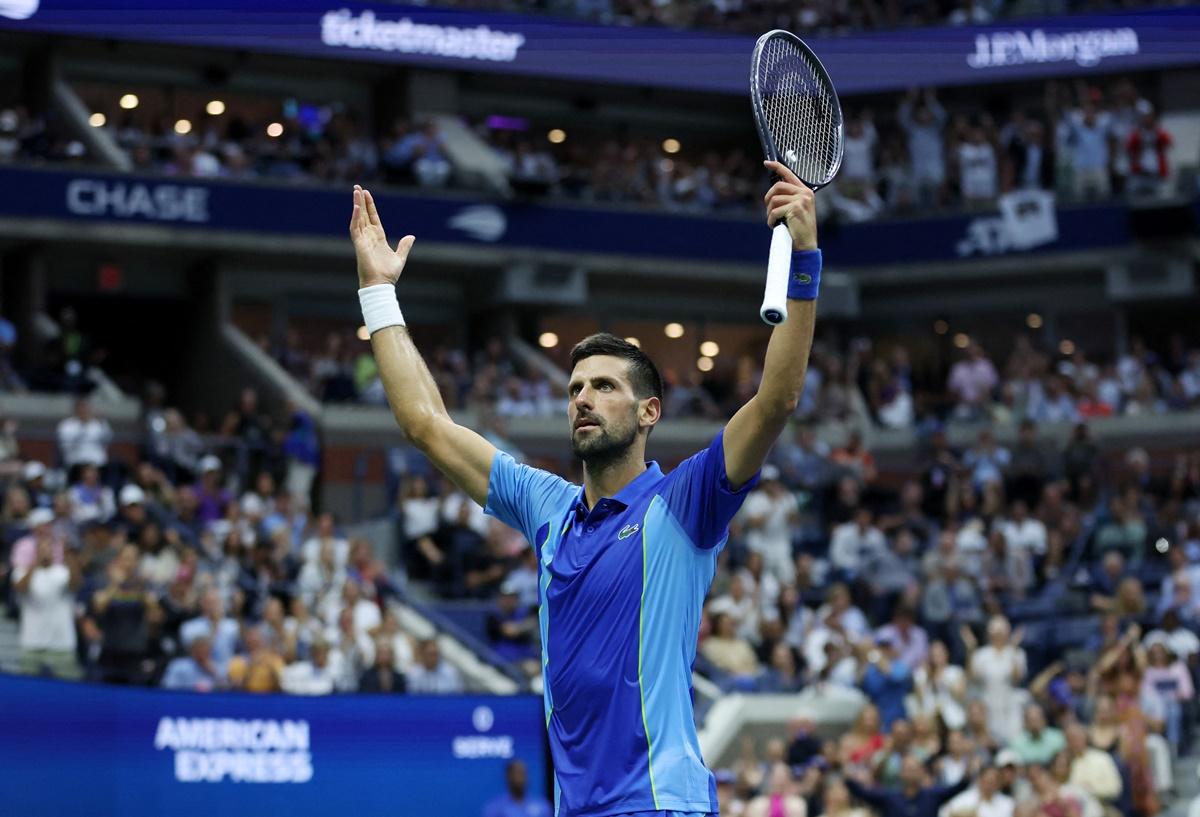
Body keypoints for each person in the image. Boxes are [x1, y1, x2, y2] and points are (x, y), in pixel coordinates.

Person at [348, 157, 821, 817]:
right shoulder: (547, 509)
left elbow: (776, 399)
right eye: (574, 389)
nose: (583, 400)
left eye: (603, 386)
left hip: (660, 803)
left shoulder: (684, 505)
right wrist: (378, 293)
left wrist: (804, 254)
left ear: (649, 411)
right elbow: (425, 424)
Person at [13, 537, 81, 679]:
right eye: (41, 548)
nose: (45, 552)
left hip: (62, 643)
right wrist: (35, 564)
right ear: (35, 552)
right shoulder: (21, 571)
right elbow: (20, 587)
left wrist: (69, 556)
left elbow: (75, 584)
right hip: (32, 642)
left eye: (48, 548)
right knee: (27, 687)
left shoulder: (61, 572)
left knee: (68, 688)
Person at [484, 760, 552, 817]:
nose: (520, 779)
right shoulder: (495, 808)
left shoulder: (542, 806)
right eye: (516, 774)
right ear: (508, 777)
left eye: (522, 774)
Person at [161, 635, 226, 691]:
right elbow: (168, 687)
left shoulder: (218, 668)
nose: (202, 652)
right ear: (192, 650)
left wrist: (214, 673)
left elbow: (226, 690)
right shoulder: (178, 666)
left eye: (205, 649)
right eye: (199, 648)